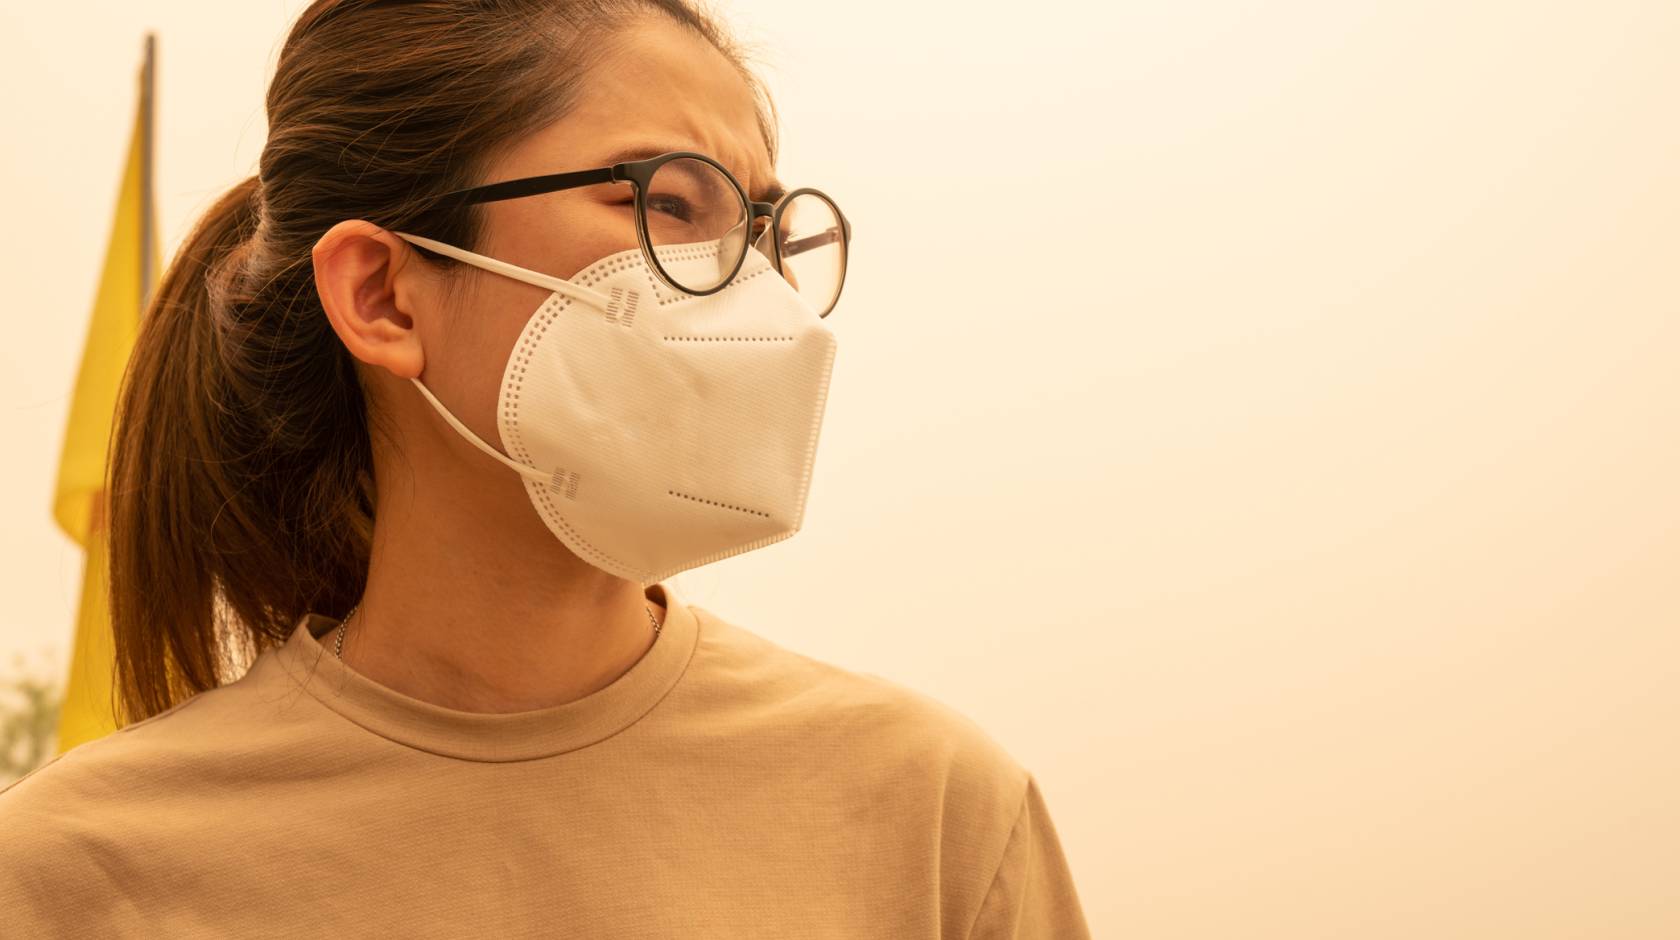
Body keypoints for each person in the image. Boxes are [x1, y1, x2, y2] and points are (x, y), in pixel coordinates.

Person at [0, 1, 1092, 935]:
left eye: (757, 230)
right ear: (382, 293)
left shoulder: (933, 816)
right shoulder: (70, 877)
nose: (753, 296)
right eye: (668, 204)